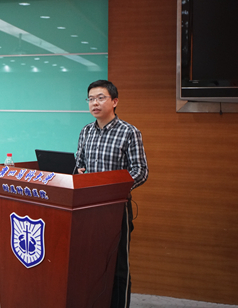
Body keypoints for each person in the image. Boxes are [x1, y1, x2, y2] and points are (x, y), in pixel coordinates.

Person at [75, 79, 148, 308]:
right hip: (88, 208)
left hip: (116, 209)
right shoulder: (86, 131)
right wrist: (79, 171)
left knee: (118, 266)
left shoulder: (129, 132)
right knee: (91, 263)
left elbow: (140, 171)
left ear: (114, 101)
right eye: (90, 99)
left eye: (100, 98)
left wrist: (114, 190)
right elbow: (79, 164)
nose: (94, 103)